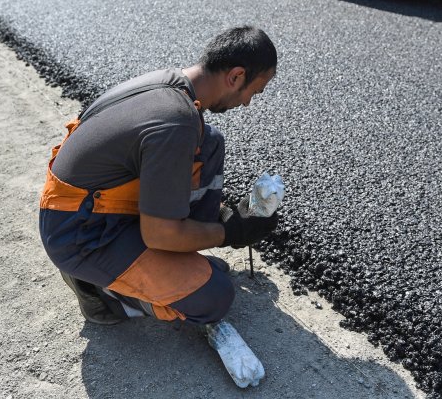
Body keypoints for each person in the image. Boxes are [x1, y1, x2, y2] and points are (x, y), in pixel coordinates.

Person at [39, 26, 279, 325]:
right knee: (215, 297)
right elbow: (158, 234)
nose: (247, 103)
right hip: (81, 233)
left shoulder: (171, 82)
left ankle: (172, 256)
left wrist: (220, 220)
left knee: (210, 142)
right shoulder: (176, 123)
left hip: (93, 201)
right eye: (254, 92)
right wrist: (230, 233)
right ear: (236, 76)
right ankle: (100, 289)